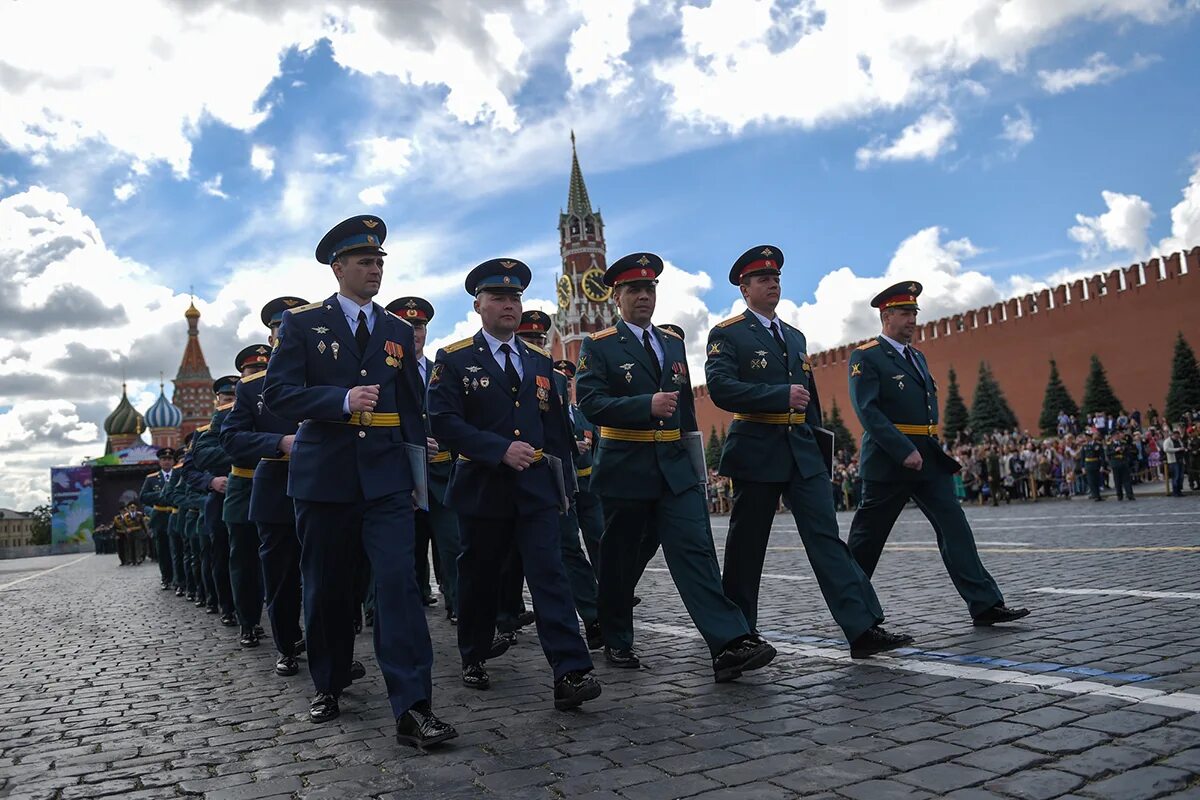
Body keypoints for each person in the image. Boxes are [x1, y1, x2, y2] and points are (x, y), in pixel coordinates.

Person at [263, 214, 456, 748]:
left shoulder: (397, 330)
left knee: (399, 585)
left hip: (387, 480)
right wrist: (339, 401)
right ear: (338, 267)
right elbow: (277, 395)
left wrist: (422, 457)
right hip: (325, 479)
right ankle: (328, 681)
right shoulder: (303, 325)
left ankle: (414, 706)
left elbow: (412, 407)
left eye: (379, 262)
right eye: (365, 261)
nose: (374, 270)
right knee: (328, 589)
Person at [577, 251, 776, 679]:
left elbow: (684, 407)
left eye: (650, 289)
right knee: (622, 556)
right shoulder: (600, 345)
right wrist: (642, 405)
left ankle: (728, 643)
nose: (644, 296)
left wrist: (696, 464)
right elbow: (590, 403)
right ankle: (614, 634)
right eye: (635, 289)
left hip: (674, 467)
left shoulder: (671, 341)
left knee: (694, 550)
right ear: (617, 297)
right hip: (626, 467)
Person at [705, 246, 912, 656]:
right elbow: (721, 389)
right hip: (757, 448)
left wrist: (821, 448)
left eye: (776, 277)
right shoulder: (727, 334)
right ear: (745, 289)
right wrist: (778, 395)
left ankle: (862, 628)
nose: (773, 283)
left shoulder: (795, 336)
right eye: (763, 279)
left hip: (801, 451)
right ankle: (738, 634)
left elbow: (809, 400)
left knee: (826, 538)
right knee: (747, 547)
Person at [428, 257, 601, 710]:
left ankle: (571, 670)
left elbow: (556, 431)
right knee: (481, 575)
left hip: (536, 488)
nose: (509, 305)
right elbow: (444, 422)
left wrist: (564, 487)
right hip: (483, 486)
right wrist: (496, 448)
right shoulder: (455, 357)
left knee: (549, 575)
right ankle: (474, 652)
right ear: (478, 305)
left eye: (515, 297)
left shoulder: (540, 360)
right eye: (499, 298)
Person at [844, 281, 1028, 627]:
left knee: (955, 528)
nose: (912, 319)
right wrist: (903, 450)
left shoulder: (917, 356)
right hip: (889, 461)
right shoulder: (866, 356)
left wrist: (923, 449)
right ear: (886, 316)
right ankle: (854, 613)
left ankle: (985, 603)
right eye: (904, 313)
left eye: (914, 313)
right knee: (866, 543)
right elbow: (868, 411)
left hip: (927, 458)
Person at [223, 315, 311, 678]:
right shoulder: (251, 387)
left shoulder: (325, 375)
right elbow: (231, 439)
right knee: (281, 577)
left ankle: (329, 647)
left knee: (330, 574)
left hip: (329, 487)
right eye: (279, 331)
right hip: (276, 491)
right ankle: (287, 645)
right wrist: (278, 442)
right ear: (273, 337)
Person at [385, 296, 461, 625]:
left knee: (454, 545)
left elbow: (459, 417)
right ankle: (398, 610)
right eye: (407, 326)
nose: (414, 333)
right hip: (400, 476)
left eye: (419, 326)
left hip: (442, 474)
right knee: (403, 552)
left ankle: (461, 606)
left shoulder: (441, 371)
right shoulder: (382, 372)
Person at [140, 448, 178, 590]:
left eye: (169, 459)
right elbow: (143, 497)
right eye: (164, 459)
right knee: (163, 550)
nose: (167, 462)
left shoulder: (179, 475)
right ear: (159, 461)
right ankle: (166, 578)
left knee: (177, 549)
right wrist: (161, 496)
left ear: (173, 461)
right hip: (161, 517)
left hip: (175, 515)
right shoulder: (151, 479)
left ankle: (178, 578)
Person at [1107, 433, 1135, 501]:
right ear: (1113, 437)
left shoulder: (1123, 443)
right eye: (1115, 435)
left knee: (1127, 480)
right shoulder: (1109, 444)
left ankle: (1130, 495)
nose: (1117, 436)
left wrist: (1123, 450)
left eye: (1118, 435)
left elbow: (1128, 451)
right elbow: (1108, 454)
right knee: (1117, 481)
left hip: (1123, 462)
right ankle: (1119, 495)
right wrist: (1115, 451)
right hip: (1115, 463)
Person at [1080, 429, 1107, 501]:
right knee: (1090, 481)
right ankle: (1094, 495)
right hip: (1088, 465)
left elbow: (1102, 456)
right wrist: (1082, 467)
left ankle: (1097, 495)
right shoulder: (1084, 446)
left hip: (1096, 464)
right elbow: (1082, 457)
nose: (1085, 438)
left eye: (1087, 437)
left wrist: (1102, 466)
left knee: (1096, 480)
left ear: (1090, 437)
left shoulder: (1097, 445)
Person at [1163, 428, 1185, 496]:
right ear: (1173, 435)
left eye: (1178, 436)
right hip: (1173, 461)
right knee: (1176, 476)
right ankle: (1175, 492)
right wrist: (1178, 449)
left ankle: (1179, 490)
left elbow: (1182, 446)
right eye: (1176, 436)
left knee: (1181, 476)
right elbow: (1166, 449)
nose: (1177, 437)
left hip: (1180, 460)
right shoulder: (1167, 441)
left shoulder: (1179, 440)